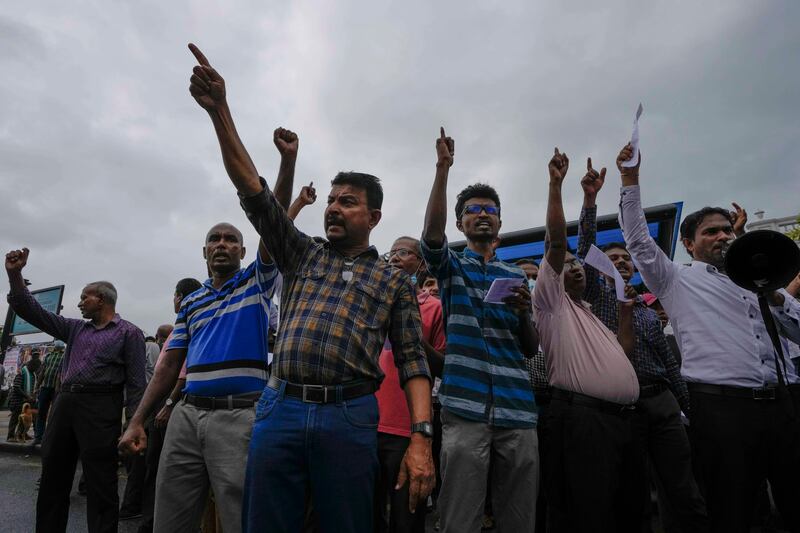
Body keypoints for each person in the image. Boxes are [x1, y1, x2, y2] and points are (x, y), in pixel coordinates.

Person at [181, 43, 434, 532]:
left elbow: (413, 362)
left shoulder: (393, 281)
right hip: (281, 409)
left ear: (374, 217)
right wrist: (220, 111)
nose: (334, 208)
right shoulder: (304, 253)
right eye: (332, 201)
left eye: (349, 202)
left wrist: (421, 438)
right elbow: (254, 193)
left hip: (352, 416)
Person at [616, 142, 800, 532]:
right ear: (688, 244)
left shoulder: (760, 280)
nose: (722, 237)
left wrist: (771, 290)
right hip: (722, 411)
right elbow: (636, 239)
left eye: (726, 231)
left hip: (784, 404)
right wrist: (629, 178)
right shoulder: (676, 279)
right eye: (710, 232)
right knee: (733, 509)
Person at [118, 218, 279, 533]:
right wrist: (137, 420)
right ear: (205, 252)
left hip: (240, 416)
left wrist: (287, 167)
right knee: (170, 518)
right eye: (215, 239)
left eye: (231, 239)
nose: (222, 244)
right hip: (187, 416)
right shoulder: (191, 302)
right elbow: (167, 364)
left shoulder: (257, 282)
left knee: (241, 518)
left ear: (244, 250)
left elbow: (272, 224)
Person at [575, 157, 708, 531]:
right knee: (632, 495)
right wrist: (589, 202)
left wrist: (687, 407)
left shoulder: (647, 310)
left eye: (625, 259)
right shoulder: (598, 296)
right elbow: (585, 246)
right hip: (623, 407)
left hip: (663, 404)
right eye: (613, 258)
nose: (621, 263)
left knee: (683, 489)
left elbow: (668, 362)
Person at [421, 128, 540, 532]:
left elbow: (530, 348)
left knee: (519, 516)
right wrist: (442, 168)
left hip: (518, 410)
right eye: (473, 209)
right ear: (461, 222)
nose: (483, 213)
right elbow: (432, 240)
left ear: (500, 220)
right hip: (465, 409)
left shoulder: (515, 275)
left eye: (490, 209)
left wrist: (525, 313)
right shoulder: (452, 267)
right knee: (459, 516)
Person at [534, 148, 644, 533]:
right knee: (586, 514)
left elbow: (625, 356)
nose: (576, 267)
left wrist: (627, 313)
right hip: (582, 421)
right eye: (567, 265)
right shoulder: (551, 305)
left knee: (627, 513)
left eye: (579, 265)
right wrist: (555, 186)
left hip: (622, 423)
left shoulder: (591, 313)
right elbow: (558, 244)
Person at [5, 248, 145, 533]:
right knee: (53, 479)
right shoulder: (75, 329)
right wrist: (15, 274)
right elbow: (30, 309)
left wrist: (134, 424)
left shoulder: (129, 333)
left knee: (101, 483)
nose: (79, 303)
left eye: (84, 297)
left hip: (101, 407)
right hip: (65, 403)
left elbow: (136, 383)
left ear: (102, 299)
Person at [375, 236, 446, 533]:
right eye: (391, 252)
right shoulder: (372, 301)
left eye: (403, 252)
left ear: (421, 264)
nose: (393, 257)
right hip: (364, 424)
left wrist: (410, 331)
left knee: (408, 518)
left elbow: (443, 365)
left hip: (408, 431)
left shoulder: (433, 307)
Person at [136, 282, 198, 533]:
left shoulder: (190, 325)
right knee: (154, 465)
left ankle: (153, 521)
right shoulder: (179, 328)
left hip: (173, 402)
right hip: (164, 401)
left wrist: (169, 404)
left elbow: (180, 372)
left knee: (163, 467)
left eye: (174, 295)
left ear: (180, 298)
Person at [33, 341, 65, 444]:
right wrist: (37, 386)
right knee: (41, 412)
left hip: (57, 389)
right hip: (45, 387)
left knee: (54, 414)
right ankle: (38, 437)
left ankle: (49, 438)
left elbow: (63, 373)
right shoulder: (48, 356)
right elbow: (42, 372)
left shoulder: (65, 357)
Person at [7, 358, 37, 441]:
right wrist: (27, 396)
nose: (36, 369)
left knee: (24, 419)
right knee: (15, 418)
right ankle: (10, 436)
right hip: (17, 400)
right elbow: (16, 387)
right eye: (35, 367)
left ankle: (21, 434)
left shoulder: (32, 374)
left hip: (26, 401)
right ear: (31, 365)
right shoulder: (22, 373)